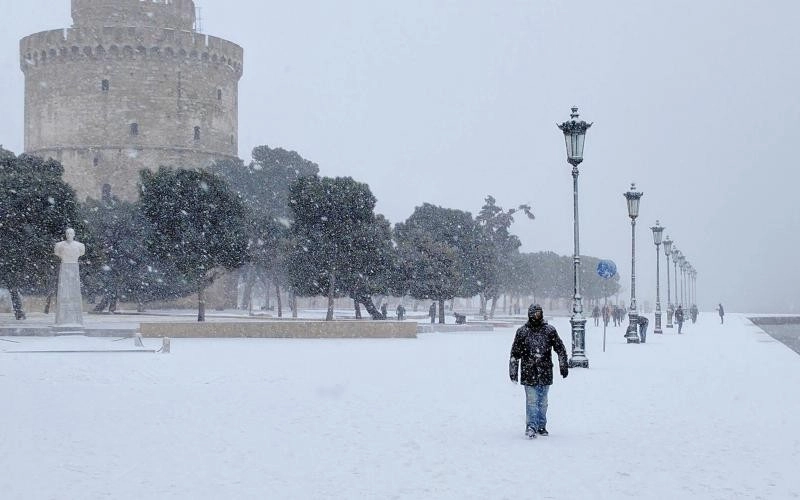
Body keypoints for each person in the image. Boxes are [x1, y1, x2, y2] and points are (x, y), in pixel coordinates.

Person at [509, 304, 569, 439]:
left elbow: (560, 348)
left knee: (543, 402)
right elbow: (515, 354)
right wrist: (513, 372)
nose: (538, 316)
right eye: (535, 313)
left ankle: (541, 425)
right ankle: (531, 426)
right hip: (528, 371)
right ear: (530, 315)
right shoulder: (522, 332)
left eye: (539, 313)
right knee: (532, 401)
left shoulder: (549, 331)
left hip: (545, 371)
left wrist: (563, 365)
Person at [53, 227, 86, 327]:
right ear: (65, 234)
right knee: (64, 291)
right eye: (67, 233)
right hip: (65, 265)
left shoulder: (80, 246)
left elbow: (82, 253)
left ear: (74, 234)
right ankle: (62, 319)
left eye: (71, 233)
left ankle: (75, 320)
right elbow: (57, 253)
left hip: (74, 266)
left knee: (74, 292)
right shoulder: (59, 245)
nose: (69, 235)